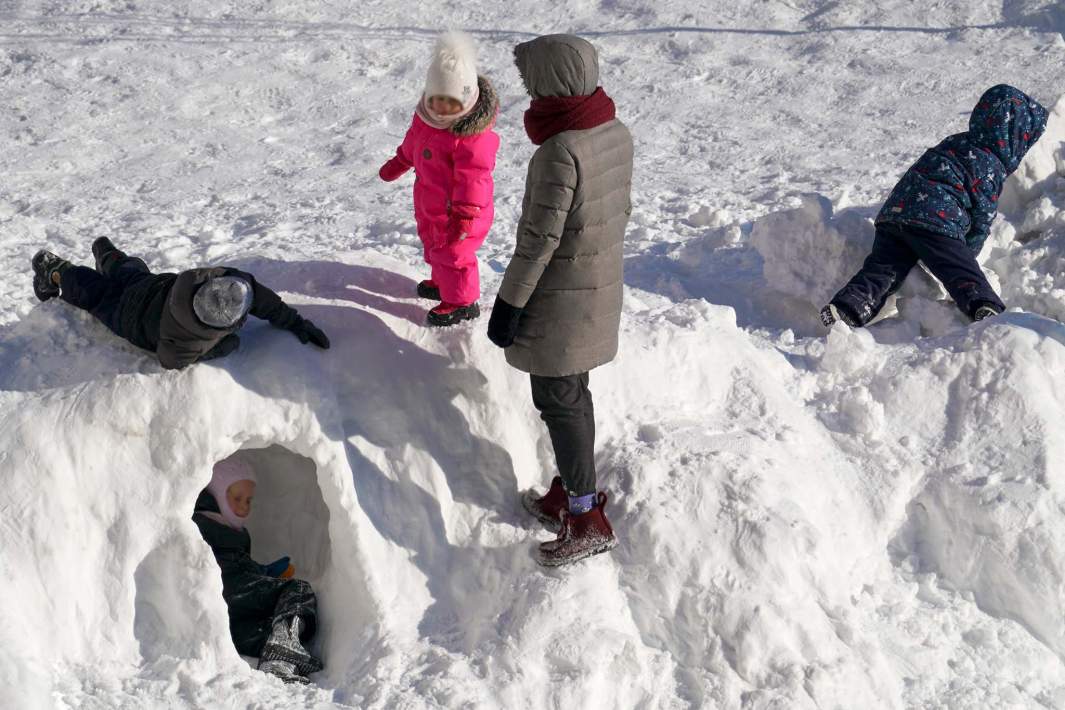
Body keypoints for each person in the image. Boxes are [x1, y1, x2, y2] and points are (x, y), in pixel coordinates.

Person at [486, 34, 633, 567]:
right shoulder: (612, 130)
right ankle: (575, 494)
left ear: (553, 81)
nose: (527, 91)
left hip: (560, 300)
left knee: (557, 398)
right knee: (574, 392)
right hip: (597, 287)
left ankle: (586, 518)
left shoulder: (559, 150)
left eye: (531, 81)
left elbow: (539, 240)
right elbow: (619, 210)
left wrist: (508, 306)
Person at [821, 84, 1048, 328]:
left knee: (883, 268)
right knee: (960, 270)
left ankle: (847, 307)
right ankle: (985, 306)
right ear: (1014, 139)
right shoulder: (990, 164)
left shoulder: (954, 143)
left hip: (894, 214)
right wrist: (966, 250)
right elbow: (982, 215)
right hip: (936, 221)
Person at [30, 237, 329, 369]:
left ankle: (109, 256)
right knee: (91, 291)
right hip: (125, 315)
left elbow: (263, 301)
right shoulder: (185, 339)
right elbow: (169, 359)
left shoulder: (221, 280)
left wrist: (296, 322)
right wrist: (226, 346)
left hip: (150, 287)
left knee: (129, 271)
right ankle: (56, 271)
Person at [378, 31, 500, 327]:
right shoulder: (425, 117)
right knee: (433, 244)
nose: (442, 108)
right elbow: (414, 143)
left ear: (469, 98)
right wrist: (400, 161)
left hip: (462, 212)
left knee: (455, 254)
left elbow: (475, 180)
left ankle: (462, 302)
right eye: (437, 100)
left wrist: (466, 214)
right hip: (431, 202)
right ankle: (443, 284)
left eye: (452, 102)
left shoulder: (472, 137)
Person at [192, 457, 323, 684]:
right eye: (236, 498)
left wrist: (266, 571)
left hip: (227, 618)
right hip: (225, 591)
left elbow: (237, 565)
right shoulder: (205, 524)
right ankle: (284, 644)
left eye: (249, 500)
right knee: (299, 589)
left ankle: (278, 661)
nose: (244, 506)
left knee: (264, 630)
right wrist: (264, 575)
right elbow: (230, 570)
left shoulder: (229, 530)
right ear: (216, 495)